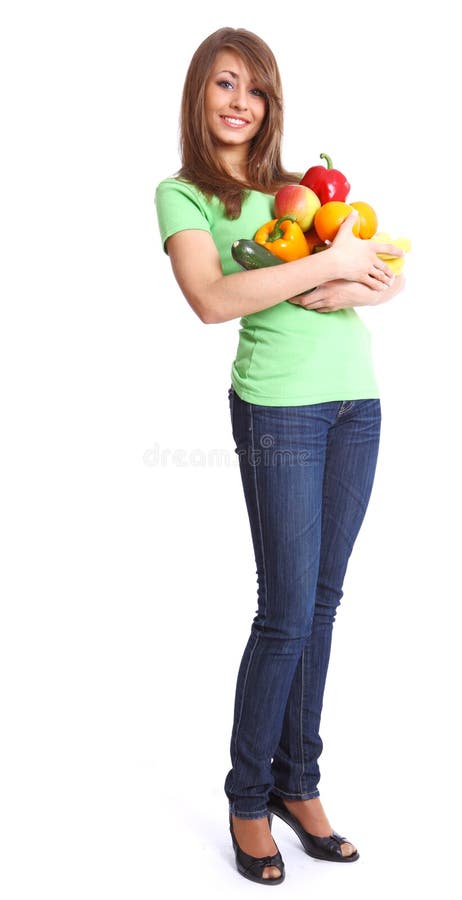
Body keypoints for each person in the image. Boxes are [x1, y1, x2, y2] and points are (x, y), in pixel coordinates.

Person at [155, 27, 405, 886]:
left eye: (255, 90)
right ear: (200, 95)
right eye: (225, 84)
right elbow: (212, 298)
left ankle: (302, 785)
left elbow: (377, 263)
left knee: (325, 603)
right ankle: (248, 797)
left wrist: (369, 275)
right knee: (287, 612)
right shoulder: (185, 195)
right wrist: (323, 269)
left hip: (355, 400)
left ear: (271, 106)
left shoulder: (298, 189)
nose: (239, 102)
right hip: (280, 410)